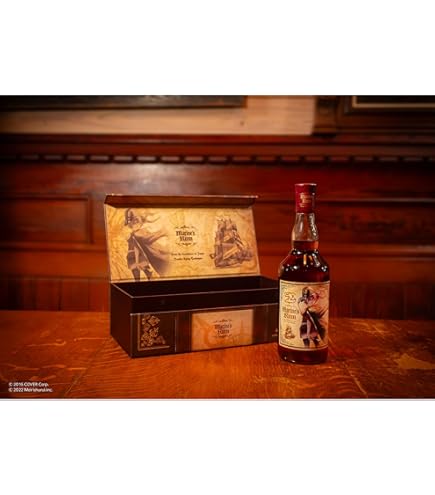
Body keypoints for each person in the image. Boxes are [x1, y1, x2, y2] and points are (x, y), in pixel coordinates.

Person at [125, 208, 169, 280]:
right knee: (145, 277)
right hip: (135, 258)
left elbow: (139, 246)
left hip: (135, 257)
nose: (137, 224)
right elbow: (136, 248)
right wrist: (137, 262)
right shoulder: (135, 234)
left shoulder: (136, 233)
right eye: (135, 221)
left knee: (143, 277)